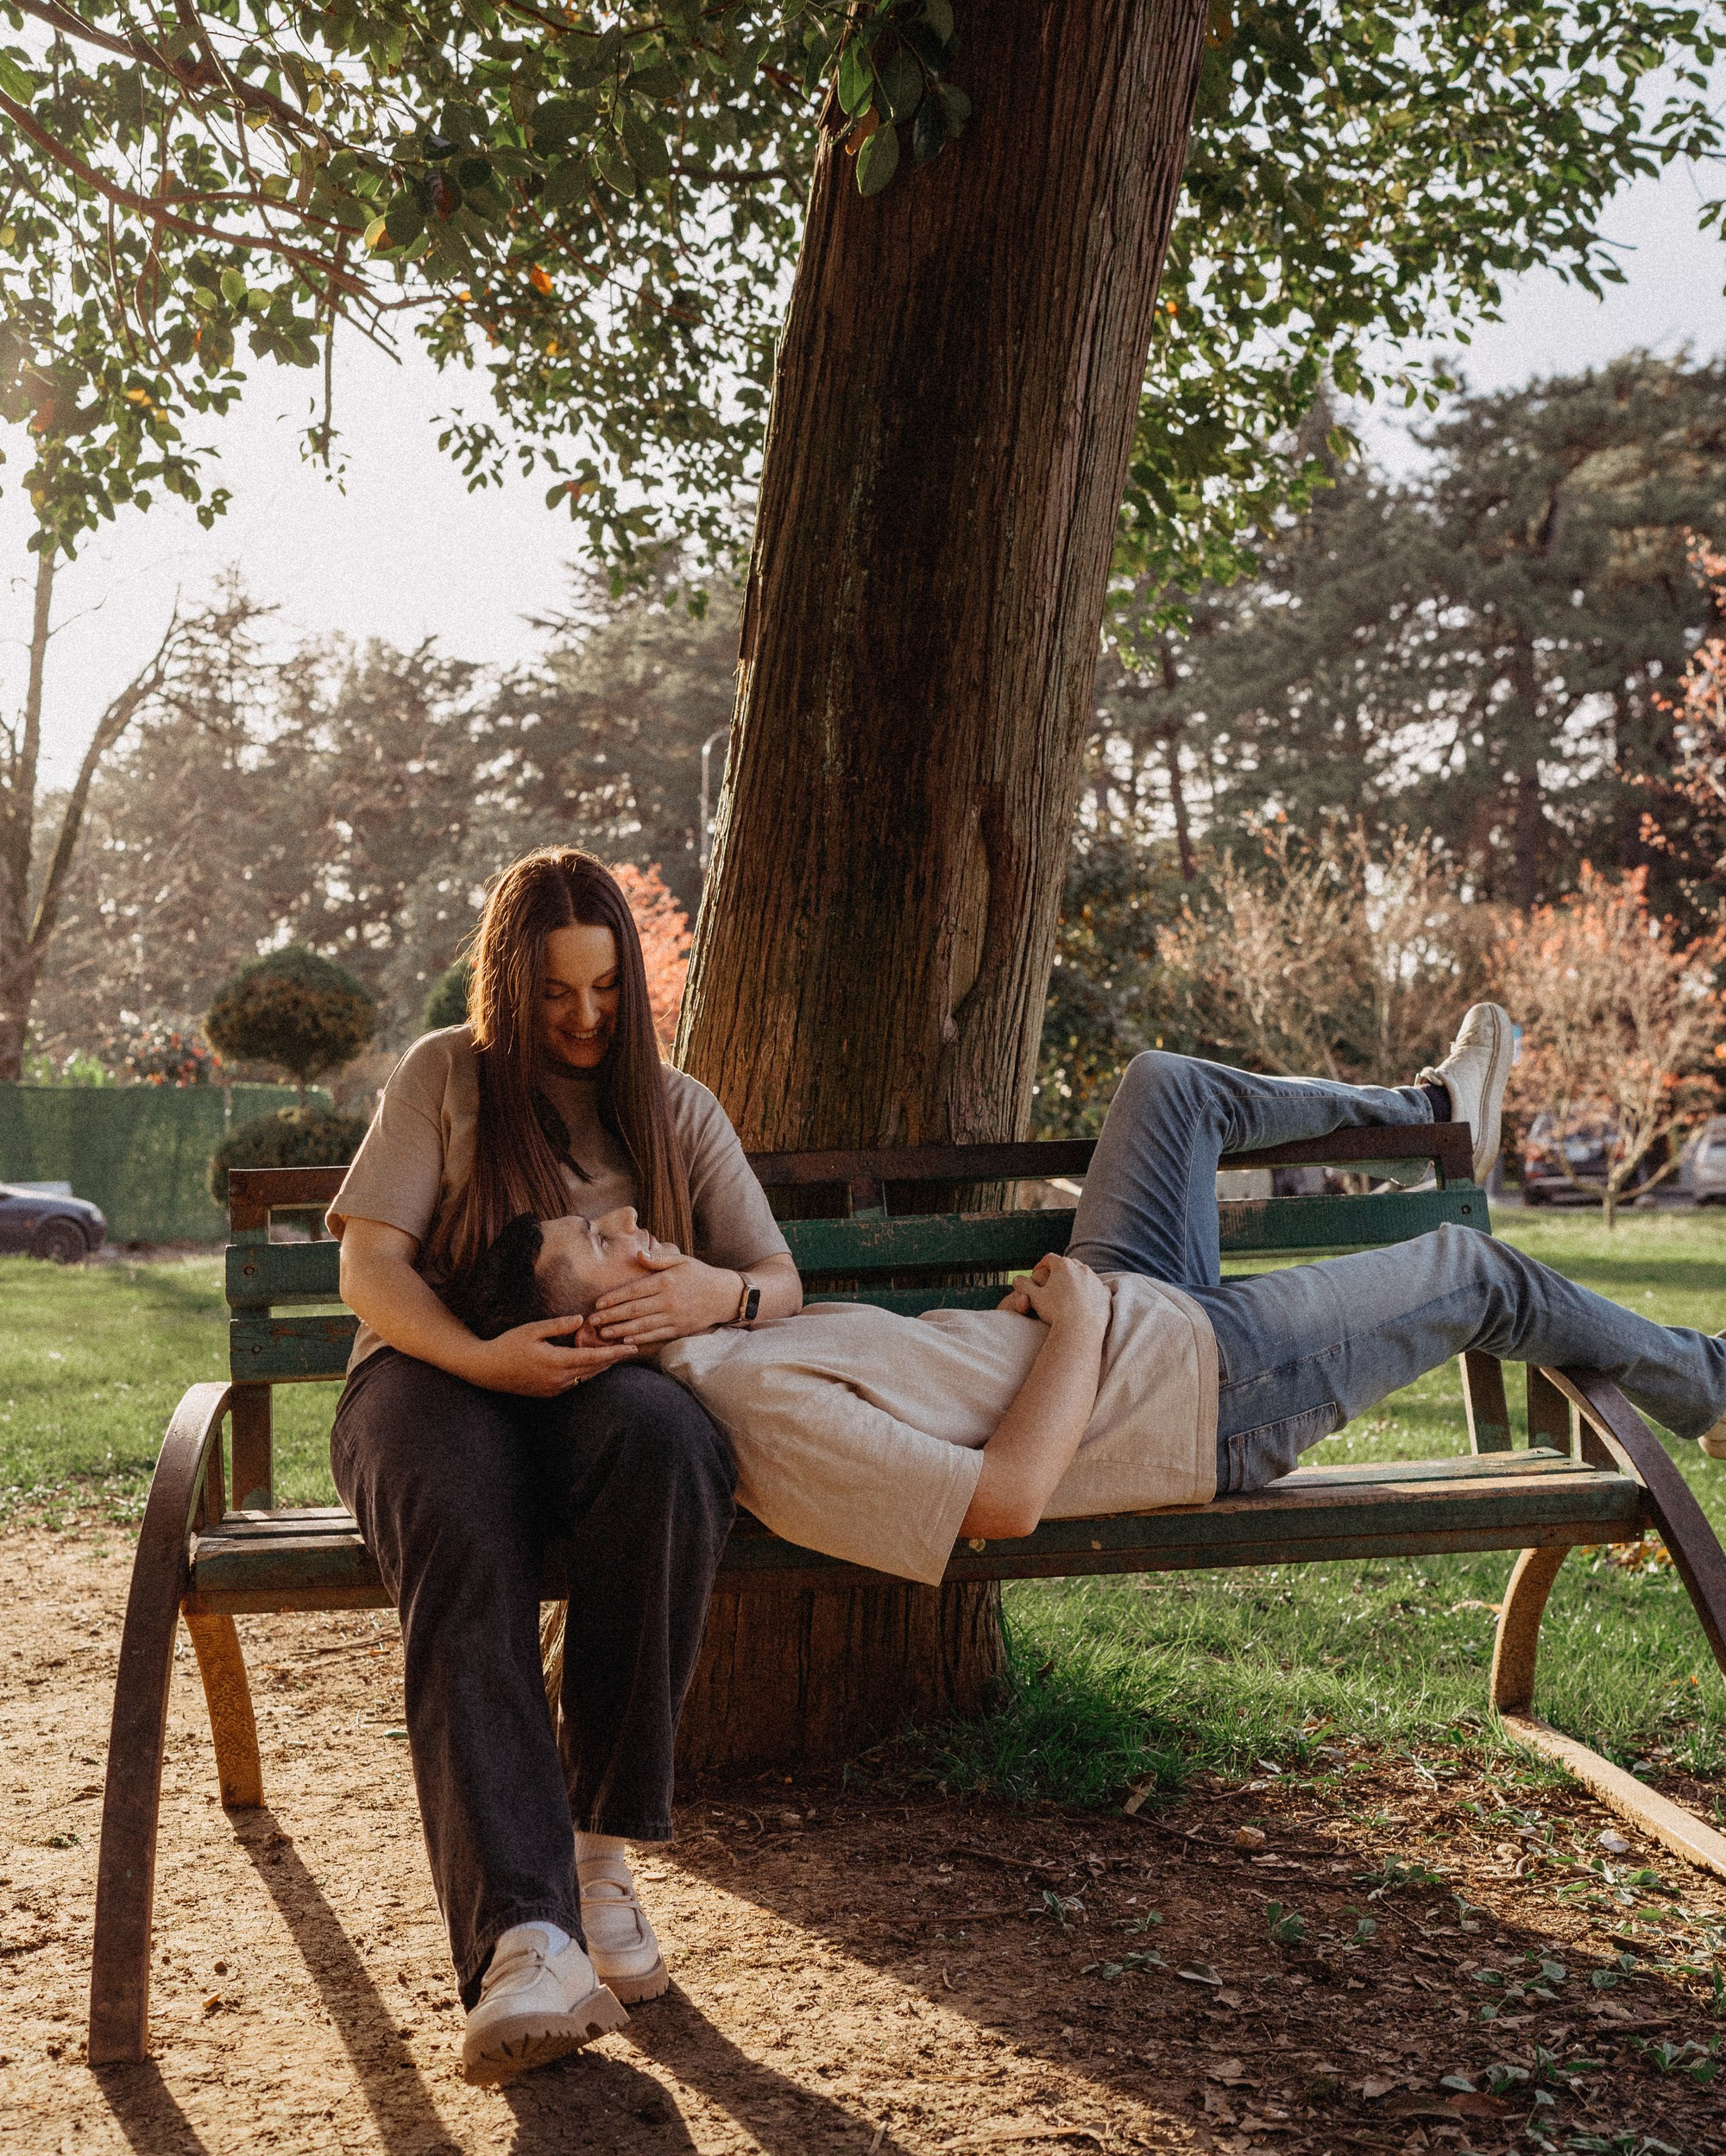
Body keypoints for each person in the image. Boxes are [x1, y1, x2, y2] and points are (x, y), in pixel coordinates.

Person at [611, 1002, 1723, 1579]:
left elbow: (908, 1363)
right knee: (1477, 1273)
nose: (623, 1223)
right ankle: (1709, 1383)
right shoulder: (756, 1414)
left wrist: (1044, 1321)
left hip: (1115, 1318)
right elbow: (1000, 1505)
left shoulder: (729, 1334)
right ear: (597, 1321)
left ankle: (1435, 1110)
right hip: (1194, 1393)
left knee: (1169, 1087)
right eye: (597, 1244)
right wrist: (1079, 1328)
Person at [326, 847, 800, 2085]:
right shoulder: (445, 1077)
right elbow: (372, 1268)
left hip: (604, 1394)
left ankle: (595, 1858)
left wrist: (718, 1292)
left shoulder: (677, 1109)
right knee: (464, 1528)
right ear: (507, 984)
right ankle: (524, 1943)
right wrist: (483, 1365)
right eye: (554, 995)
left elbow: (781, 1280)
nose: (585, 1020)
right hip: (433, 1376)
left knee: (674, 1445)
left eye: (605, 991)